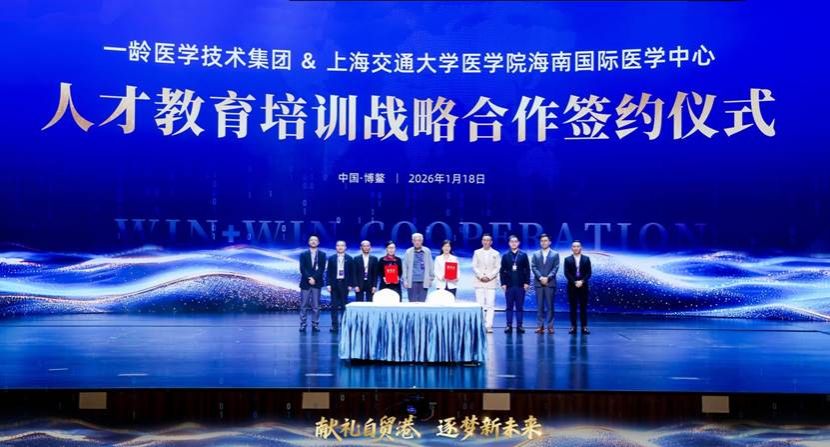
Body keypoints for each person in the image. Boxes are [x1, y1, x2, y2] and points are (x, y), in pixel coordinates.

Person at [499, 235, 530, 334]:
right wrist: (503, 283)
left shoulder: (523, 255)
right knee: (509, 306)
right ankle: (509, 325)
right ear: (509, 243)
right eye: (512, 241)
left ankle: (519, 326)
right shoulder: (505, 256)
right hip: (509, 285)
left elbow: (527, 270)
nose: (514, 243)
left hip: (520, 285)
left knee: (519, 307)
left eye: (515, 241)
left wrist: (527, 282)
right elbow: (502, 271)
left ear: (518, 243)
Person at [531, 233, 560, 334]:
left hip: (550, 283)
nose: (544, 242)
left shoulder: (555, 254)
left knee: (550, 306)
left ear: (550, 242)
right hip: (539, 283)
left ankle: (550, 326)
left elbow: (555, 268)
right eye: (542, 241)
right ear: (540, 242)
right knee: (539, 306)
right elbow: (533, 267)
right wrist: (540, 277)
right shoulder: (535, 254)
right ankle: (540, 326)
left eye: (546, 241)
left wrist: (548, 278)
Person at [472, 233, 500, 333]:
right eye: (484, 240)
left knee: (490, 304)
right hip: (479, 281)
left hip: (491, 282)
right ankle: (480, 324)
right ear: (482, 241)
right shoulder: (477, 252)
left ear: (491, 242)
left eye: (488, 240)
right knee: (480, 304)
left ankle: (489, 325)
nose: (486, 242)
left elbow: (497, 267)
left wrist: (489, 276)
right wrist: (481, 276)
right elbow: (474, 266)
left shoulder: (496, 253)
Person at [563, 240, 592, 335]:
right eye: (574, 246)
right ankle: (573, 327)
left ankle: (584, 327)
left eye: (578, 246)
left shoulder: (586, 259)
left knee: (583, 307)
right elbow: (566, 273)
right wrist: (575, 282)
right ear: (572, 248)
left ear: (581, 247)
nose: (576, 248)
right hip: (572, 286)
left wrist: (582, 281)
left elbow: (589, 273)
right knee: (573, 307)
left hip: (583, 286)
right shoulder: (567, 259)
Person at [299, 235, 326, 333]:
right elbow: (302, 268)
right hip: (305, 283)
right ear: (308, 242)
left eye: (315, 240)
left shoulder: (322, 254)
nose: (313, 241)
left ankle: (315, 324)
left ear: (318, 242)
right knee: (304, 305)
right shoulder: (303, 254)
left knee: (316, 306)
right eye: (311, 240)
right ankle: (303, 324)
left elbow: (322, 268)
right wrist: (309, 278)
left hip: (317, 283)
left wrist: (314, 278)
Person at [325, 240, 354, 332]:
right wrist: (328, 284)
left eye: (342, 245)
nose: (340, 247)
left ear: (345, 247)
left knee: (344, 306)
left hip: (345, 284)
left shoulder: (349, 258)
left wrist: (351, 284)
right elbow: (328, 272)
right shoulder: (331, 258)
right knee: (334, 306)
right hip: (334, 284)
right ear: (336, 247)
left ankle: (344, 324)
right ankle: (334, 326)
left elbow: (352, 273)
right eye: (338, 245)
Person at [402, 233, 433, 302]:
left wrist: (431, 278)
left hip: (424, 280)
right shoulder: (408, 252)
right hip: (412, 280)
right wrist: (405, 280)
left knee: (422, 302)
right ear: (412, 241)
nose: (417, 242)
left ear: (422, 241)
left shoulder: (427, 251)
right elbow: (405, 266)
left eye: (419, 240)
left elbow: (431, 265)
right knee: (412, 302)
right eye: (415, 240)